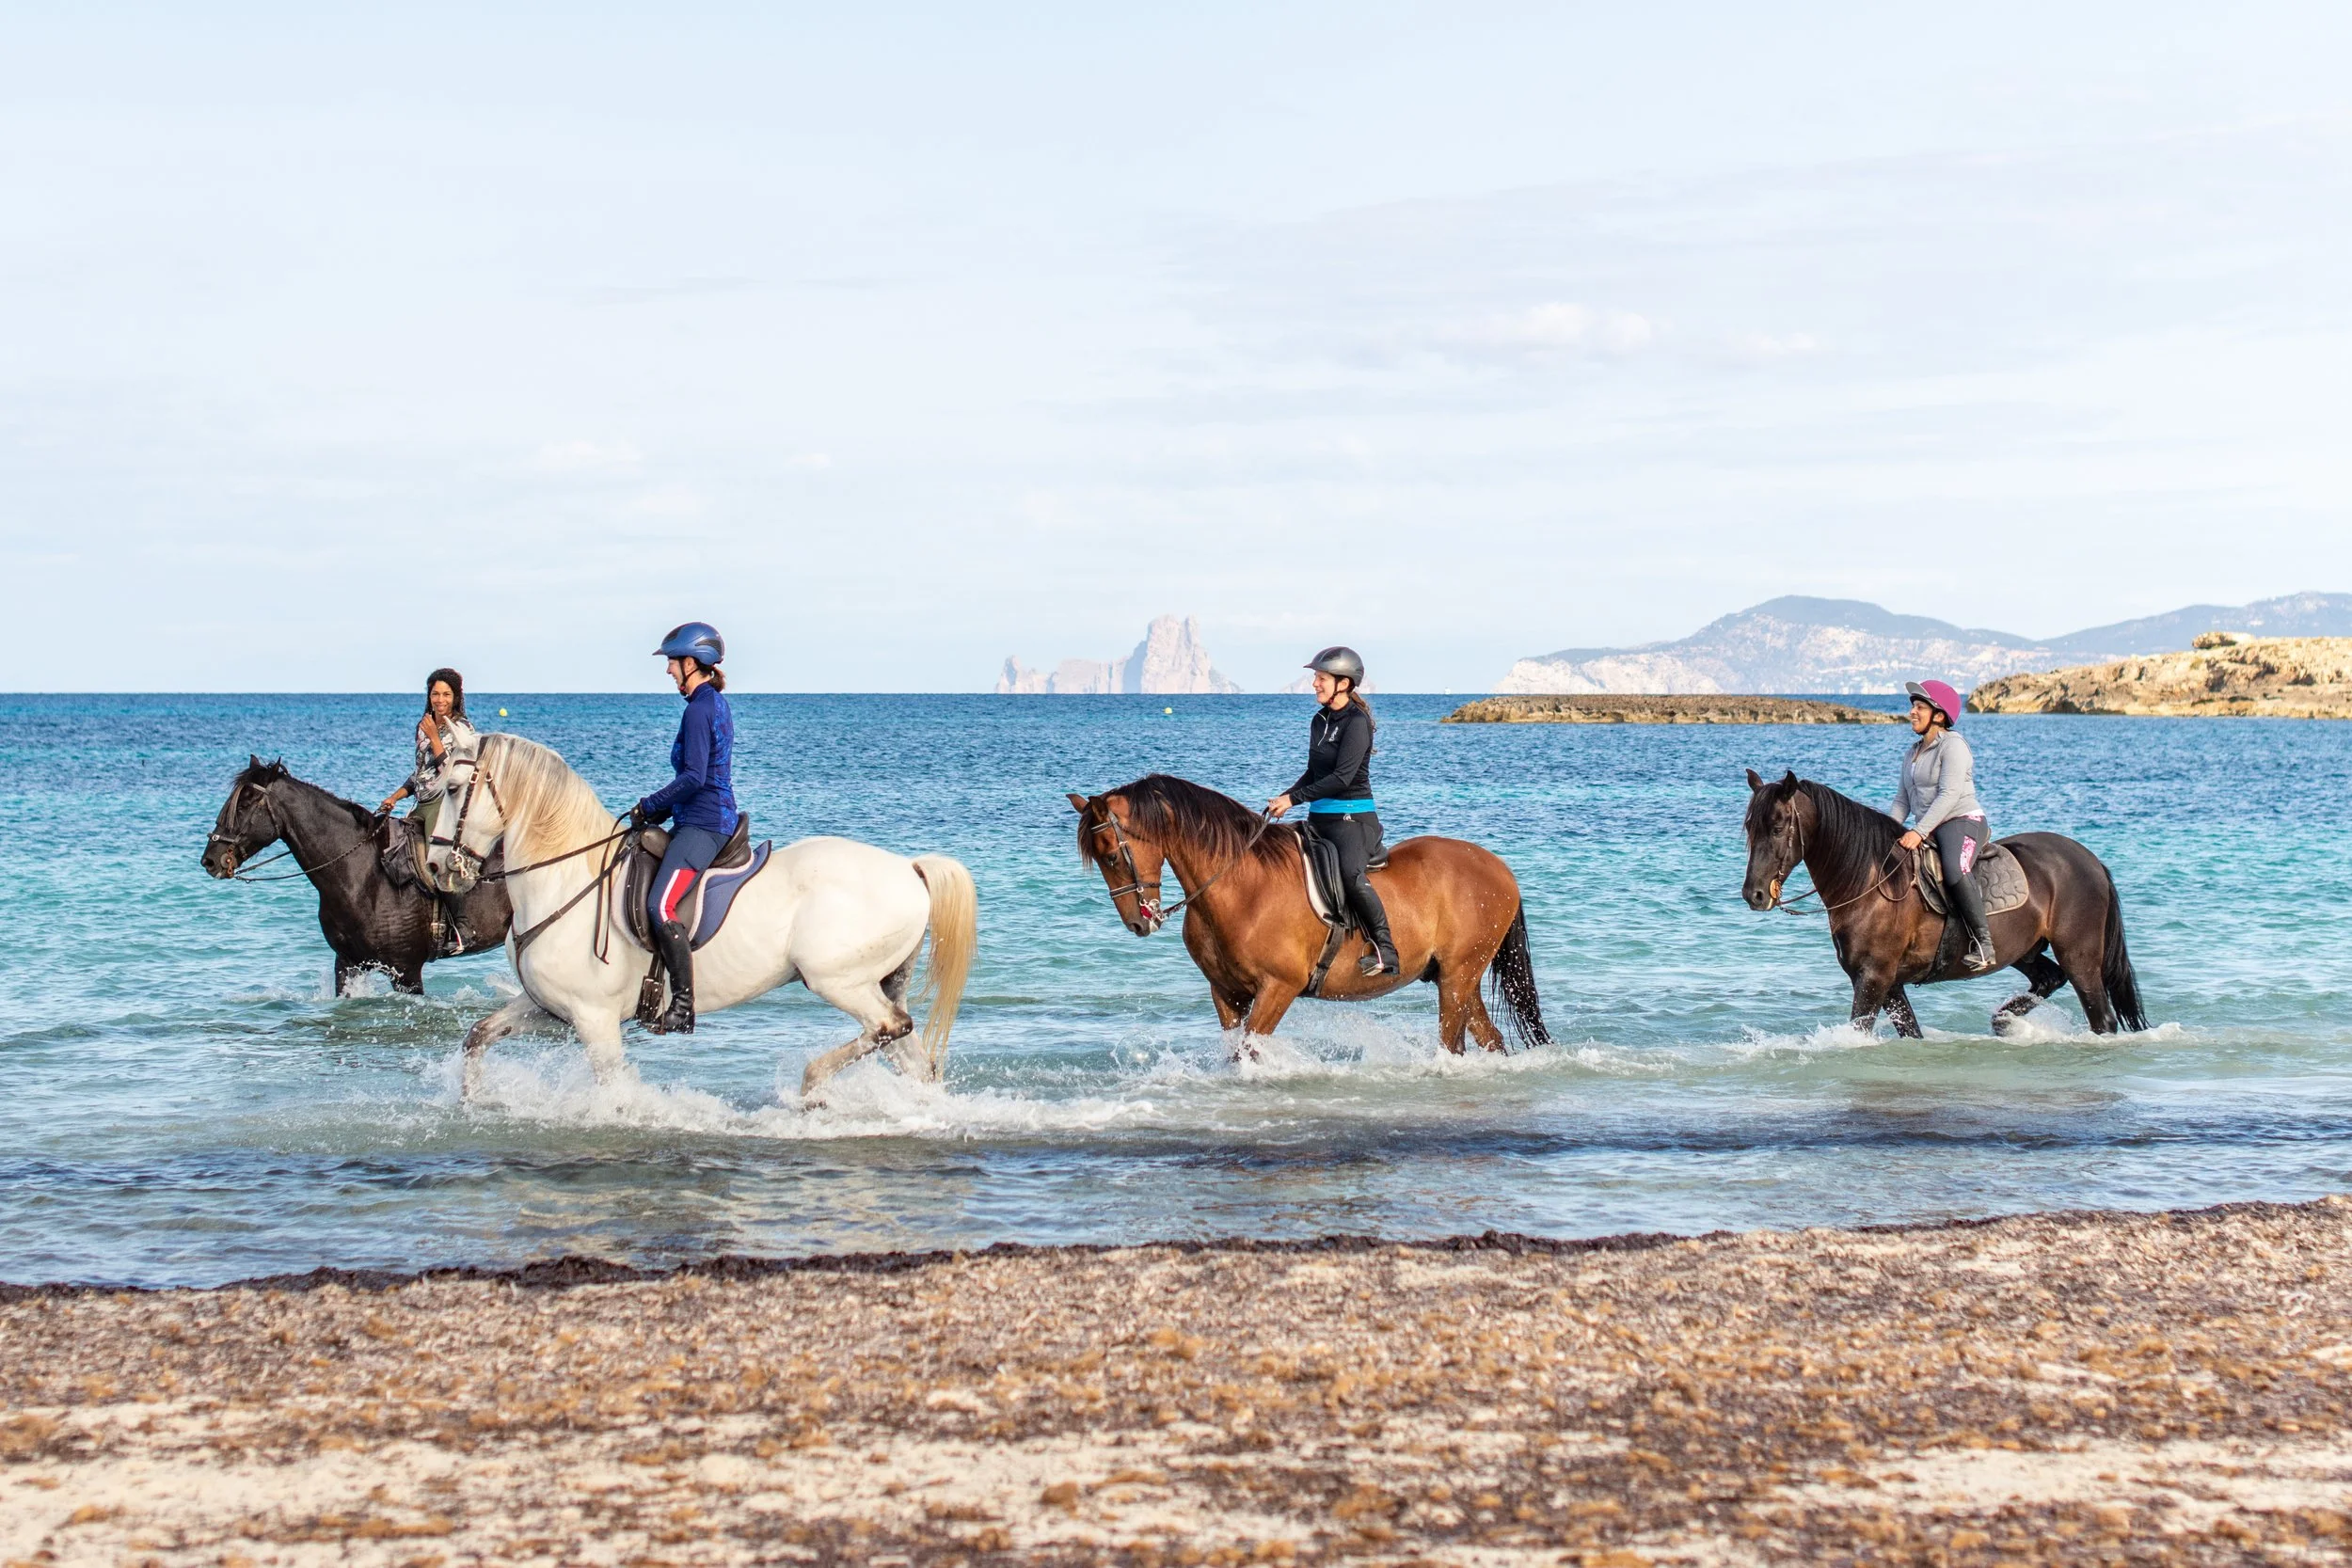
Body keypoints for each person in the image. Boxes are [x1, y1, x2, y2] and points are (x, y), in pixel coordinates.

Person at [628, 623, 739, 1035]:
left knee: (660, 906)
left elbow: (694, 777)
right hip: (698, 816)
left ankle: (683, 1006)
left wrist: (650, 805)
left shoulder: (698, 709)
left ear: (691, 663)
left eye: (673, 663)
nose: (669, 672)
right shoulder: (711, 702)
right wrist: (662, 811)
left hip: (705, 823)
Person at [1265, 646, 1398, 978]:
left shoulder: (1357, 722)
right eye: (1315, 677)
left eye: (1320, 678)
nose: (1314, 684)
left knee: (1351, 876)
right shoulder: (1320, 720)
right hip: (1319, 819)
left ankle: (1386, 950)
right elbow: (1315, 773)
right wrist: (1285, 796)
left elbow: (1342, 778)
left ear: (1343, 683)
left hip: (1352, 819)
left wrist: (1294, 800)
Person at [1889, 678, 1996, 973]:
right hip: (1930, 825)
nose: (1912, 712)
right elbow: (1902, 801)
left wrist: (1918, 831)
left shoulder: (1954, 746)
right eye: (1912, 706)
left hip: (1961, 821)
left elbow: (1949, 795)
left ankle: (1984, 943)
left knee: (1954, 868)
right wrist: (1885, 830)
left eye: (1920, 707)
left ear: (1939, 715)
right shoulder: (1912, 753)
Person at [379, 668, 479, 834]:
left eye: (446, 694)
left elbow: (454, 773)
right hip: (421, 804)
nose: (440, 700)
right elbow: (421, 772)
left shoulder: (463, 728)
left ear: (455, 698)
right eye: (435, 694)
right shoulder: (423, 726)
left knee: (431, 858)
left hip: (444, 804)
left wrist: (434, 737)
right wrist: (394, 797)